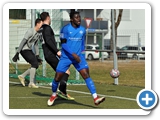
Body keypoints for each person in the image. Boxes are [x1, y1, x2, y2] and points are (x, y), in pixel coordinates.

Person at [47, 10, 105, 106]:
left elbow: (82, 43)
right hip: (66, 57)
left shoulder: (82, 29)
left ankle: (95, 98)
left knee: (86, 75)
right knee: (57, 78)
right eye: (76, 17)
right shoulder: (65, 29)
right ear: (71, 19)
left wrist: (81, 54)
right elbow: (64, 44)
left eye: (79, 17)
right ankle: (54, 94)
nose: (79, 19)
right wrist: (73, 54)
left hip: (78, 57)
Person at [40, 12, 74, 100]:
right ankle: (62, 91)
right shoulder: (47, 28)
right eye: (50, 17)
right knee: (66, 71)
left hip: (48, 55)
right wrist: (57, 51)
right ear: (48, 18)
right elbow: (48, 41)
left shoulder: (41, 29)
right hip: (51, 54)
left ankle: (61, 91)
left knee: (62, 72)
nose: (50, 19)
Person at [12, 18, 43, 88]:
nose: (42, 25)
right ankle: (31, 83)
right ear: (38, 24)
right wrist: (17, 53)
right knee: (34, 64)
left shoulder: (38, 33)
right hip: (23, 50)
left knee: (36, 65)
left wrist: (37, 55)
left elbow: (36, 44)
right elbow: (23, 42)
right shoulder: (30, 31)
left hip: (28, 50)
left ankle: (22, 76)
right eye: (41, 24)